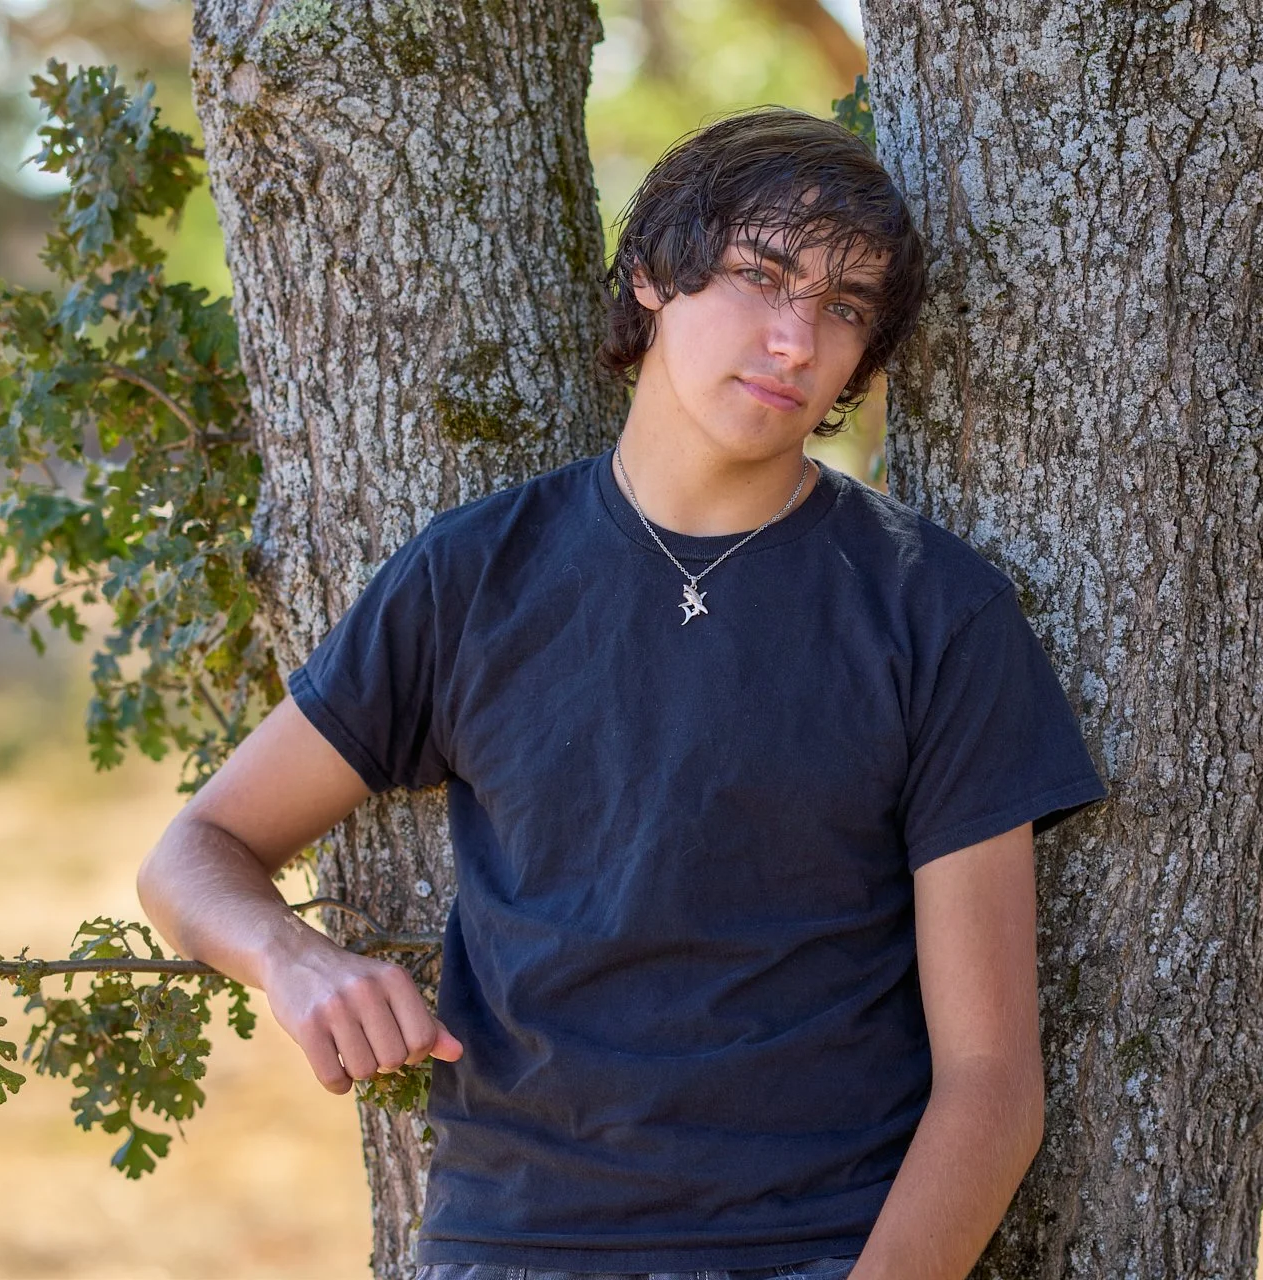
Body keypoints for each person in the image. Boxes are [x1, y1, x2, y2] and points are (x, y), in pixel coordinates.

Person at [136, 106, 1107, 1280]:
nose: (797, 338)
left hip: (809, 1244)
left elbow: (993, 1083)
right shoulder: (475, 576)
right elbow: (195, 849)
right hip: (510, 1240)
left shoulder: (933, 610)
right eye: (761, 275)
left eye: (844, 308)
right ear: (652, 274)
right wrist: (291, 956)